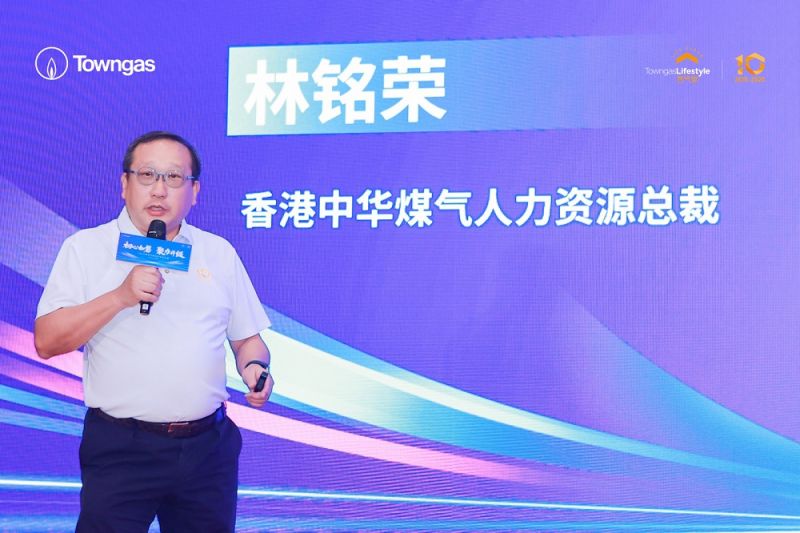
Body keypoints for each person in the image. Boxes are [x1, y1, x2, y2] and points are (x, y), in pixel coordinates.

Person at [33, 131, 273, 532]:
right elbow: (46, 340)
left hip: (207, 451)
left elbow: (248, 339)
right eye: (147, 175)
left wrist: (255, 368)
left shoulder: (218, 253)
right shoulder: (86, 248)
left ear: (195, 192)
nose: (159, 190)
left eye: (174, 177)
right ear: (124, 184)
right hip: (122, 449)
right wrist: (120, 296)